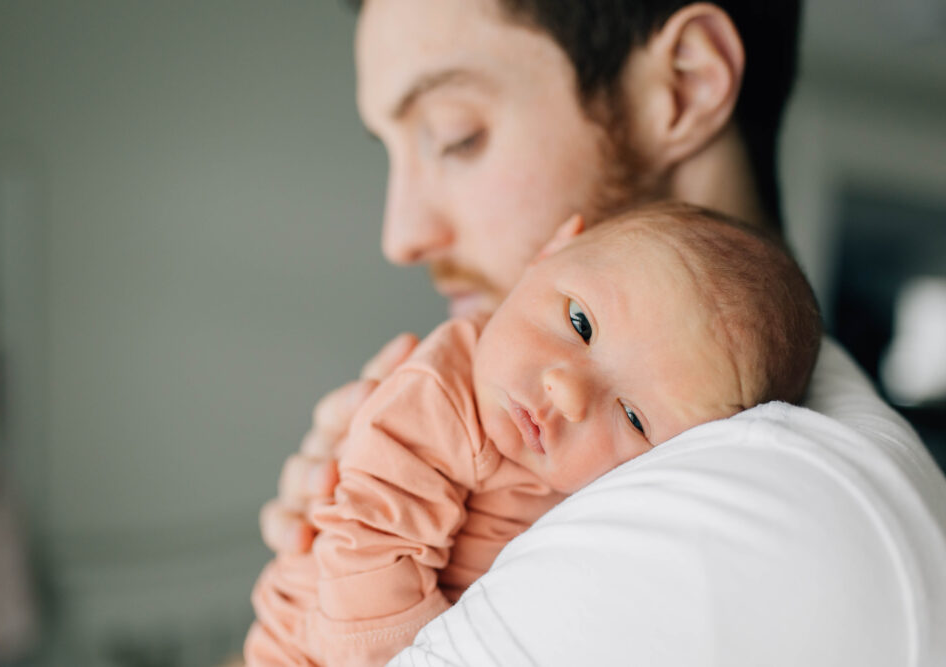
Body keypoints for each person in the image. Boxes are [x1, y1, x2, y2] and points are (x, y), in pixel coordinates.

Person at [252, 0, 946, 664]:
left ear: (685, 83)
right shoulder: (757, 416)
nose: (400, 235)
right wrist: (326, 543)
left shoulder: (752, 501)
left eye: (454, 135)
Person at [246, 202, 823, 666]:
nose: (567, 393)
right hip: (320, 639)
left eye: (634, 419)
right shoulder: (444, 393)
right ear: (549, 252)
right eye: (580, 322)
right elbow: (371, 545)